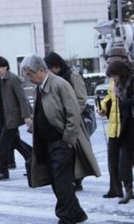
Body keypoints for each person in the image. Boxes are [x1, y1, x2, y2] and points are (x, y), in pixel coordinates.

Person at [20, 55, 101, 224]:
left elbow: (73, 113)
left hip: (61, 141)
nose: (28, 78)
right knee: (56, 180)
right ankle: (76, 212)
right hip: (46, 142)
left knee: (61, 180)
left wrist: (68, 139)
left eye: (30, 74)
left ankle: (66, 220)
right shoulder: (40, 87)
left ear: (41, 70)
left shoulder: (59, 84)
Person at [97, 47, 134, 198]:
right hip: (117, 124)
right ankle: (118, 189)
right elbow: (110, 98)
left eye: (112, 60)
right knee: (116, 159)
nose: (109, 63)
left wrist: (127, 102)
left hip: (132, 125)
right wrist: (103, 108)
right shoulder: (115, 81)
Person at [44, 51, 91, 192]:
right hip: (61, 121)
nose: (50, 72)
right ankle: (71, 178)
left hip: (75, 119)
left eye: (50, 68)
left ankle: (78, 179)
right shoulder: (54, 80)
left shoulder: (72, 75)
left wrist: (72, 113)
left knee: (78, 151)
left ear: (57, 66)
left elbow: (82, 98)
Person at [0, 56, 33, 181]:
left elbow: (22, 98)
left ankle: (3, 172)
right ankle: (33, 160)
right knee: (16, 143)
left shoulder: (13, 79)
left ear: (5, 67)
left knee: (4, 143)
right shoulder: (1, 80)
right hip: (5, 118)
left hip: (12, 118)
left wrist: (26, 116)